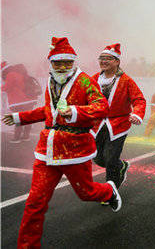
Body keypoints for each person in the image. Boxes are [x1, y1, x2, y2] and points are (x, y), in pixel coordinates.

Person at [1, 37, 122, 248]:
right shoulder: (50, 81)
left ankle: (110, 191)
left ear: (73, 62)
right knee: (34, 203)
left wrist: (75, 112)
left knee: (86, 193)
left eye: (67, 62)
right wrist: (21, 117)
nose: (63, 66)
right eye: (58, 62)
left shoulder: (85, 81)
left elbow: (101, 107)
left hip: (76, 151)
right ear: (51, 63)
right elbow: (49, 112)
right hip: (46, 152)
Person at [91, 44, 146, 192]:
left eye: (108, 58)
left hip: (118, 124)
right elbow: (83, 97)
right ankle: (121, 166)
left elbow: (139, 99)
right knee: (96, 157)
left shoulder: (126, 80)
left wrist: (136, 114)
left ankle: (110, 191)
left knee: (110, 158)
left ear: (117, 61)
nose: (104, 61)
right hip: (97, 124)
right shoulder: (94, 79)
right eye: (101, 58)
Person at [1, 61, 42, 142]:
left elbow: (6, 87)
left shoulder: (10, 75)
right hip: (30, 99)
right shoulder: (22, 74)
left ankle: (16, 138)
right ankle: (26, 136)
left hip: (19, 101)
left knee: (18, 119)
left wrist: (2, 86)